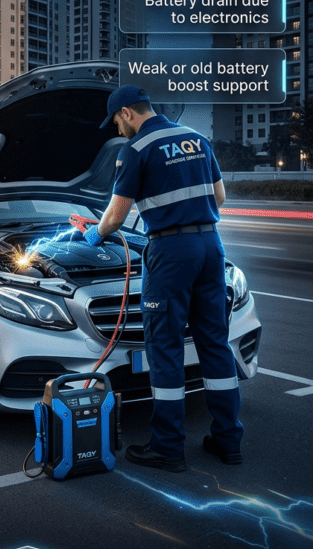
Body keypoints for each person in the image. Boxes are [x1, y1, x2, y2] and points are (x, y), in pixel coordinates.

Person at [84, 85, 243, 472]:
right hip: (210, 245)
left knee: (165, 347)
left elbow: (116, 216)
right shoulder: (197, 139)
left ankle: (168, 448)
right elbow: (219, 197)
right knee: (214, 344)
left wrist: (95, 234)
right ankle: (228, 441)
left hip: (171, 254)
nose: (117, 131)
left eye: (117, 123)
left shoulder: (136, 150)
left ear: (127, 113)